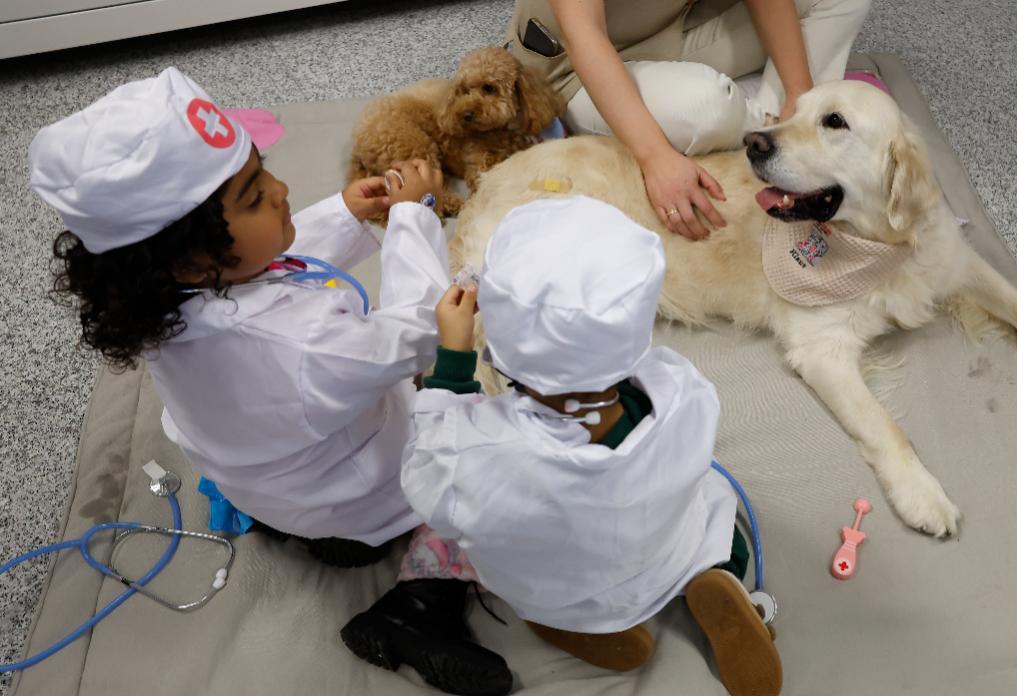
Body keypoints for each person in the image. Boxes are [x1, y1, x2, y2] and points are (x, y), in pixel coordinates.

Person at [31, 67, 512, 696]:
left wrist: (345, 212)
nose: (284, 190)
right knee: (487, 465)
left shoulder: (167, 297)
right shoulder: (301, 342)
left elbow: (270, 265)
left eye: (265, 173)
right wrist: (413, 218)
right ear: (191, 255)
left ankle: (304, 530)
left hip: (270, 481)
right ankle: (421, 606)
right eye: (256, 197)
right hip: (358, 497)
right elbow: (419, 328)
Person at [390, 196, 782, 695]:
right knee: (714, 520)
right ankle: (719, 574)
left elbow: (426, 479)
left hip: (569, 588)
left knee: (496, 553)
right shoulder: (679, 389)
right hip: (666, 547)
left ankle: (582, 625)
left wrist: (451, 367)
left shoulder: (480, 454)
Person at [506, 0, 871, 240]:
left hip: (677, 26)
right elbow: (583, 32)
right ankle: (756, 123)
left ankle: (775, 126)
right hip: (571, 65)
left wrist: (800, 96)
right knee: (707, 110)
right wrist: (655, 159)